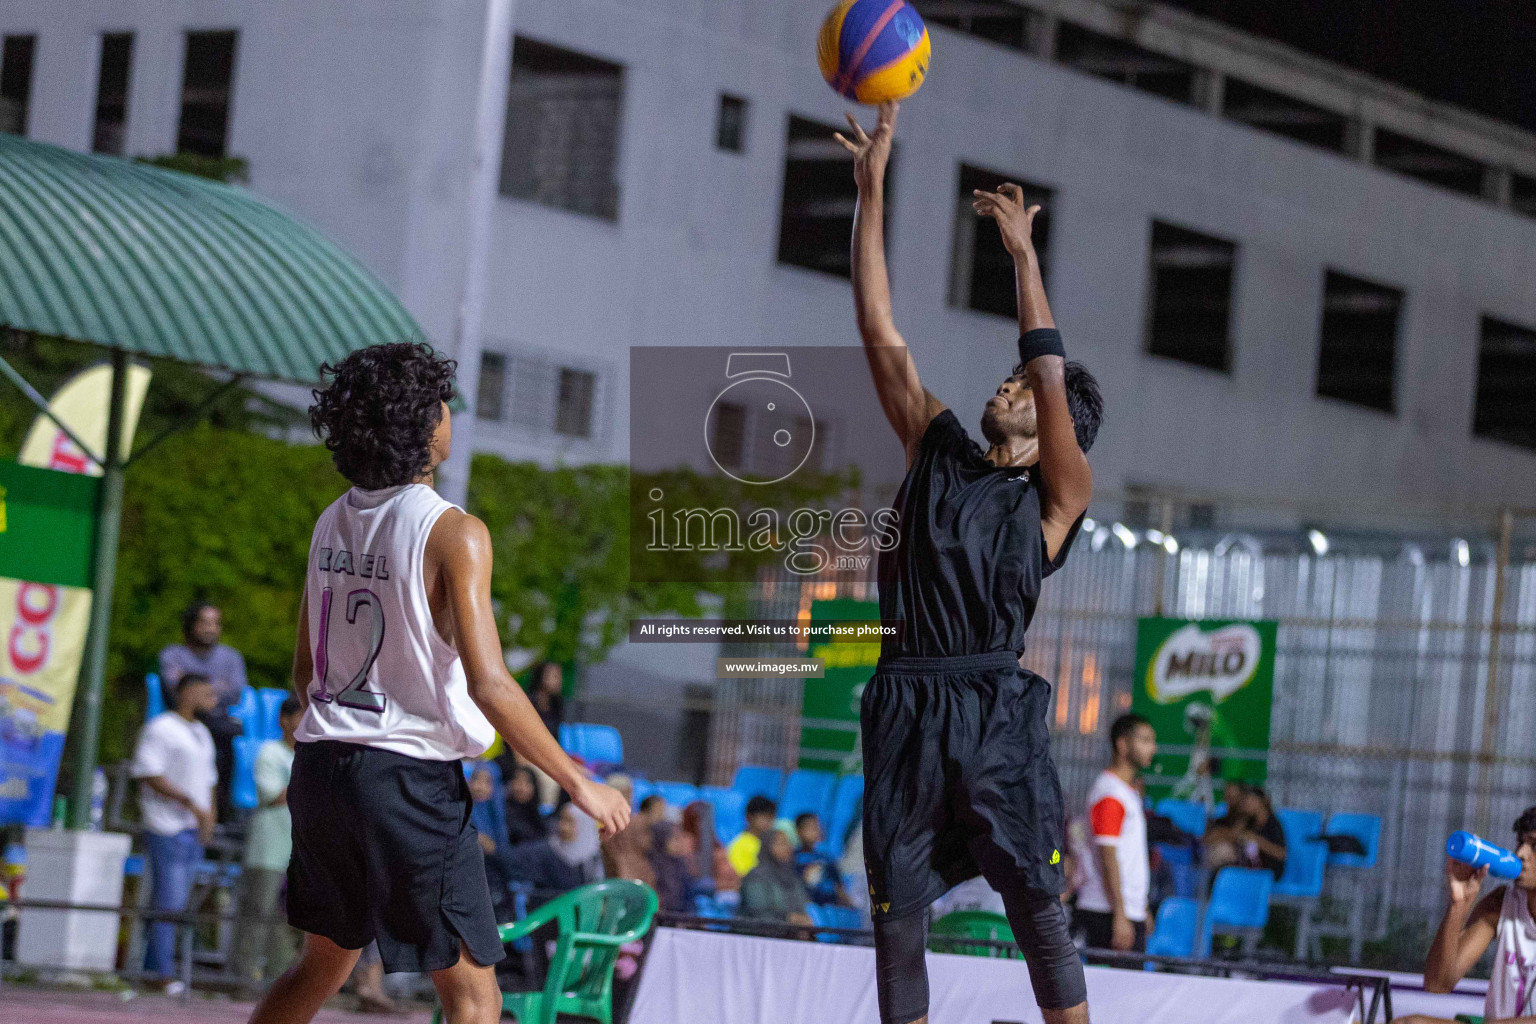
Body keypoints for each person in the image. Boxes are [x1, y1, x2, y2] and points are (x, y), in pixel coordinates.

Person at [247, 343, 629, 1024]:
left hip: (324, 767)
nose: (451, 412)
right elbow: (492, 685)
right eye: (442, 402)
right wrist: (578, 781)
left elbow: (307, 673)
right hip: (406, 779)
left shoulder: (330, 521)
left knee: (321, 965)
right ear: (423, 424)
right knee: (474, 998)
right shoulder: (455, 532)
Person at [837, 101, 1102, 1024]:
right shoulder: (938, 448)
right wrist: (872, 191)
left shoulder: (1053, 497)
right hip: (906, 696)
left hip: (992, 709)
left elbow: (1053, 372)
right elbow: (878, 327)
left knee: (1036, 907)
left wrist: (1023, 258)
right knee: (897, 920)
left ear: (1050, 426)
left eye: (1023, 387)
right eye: (1011, 378)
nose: (1009, 381)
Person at [1392, 808, 1536, 1024]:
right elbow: (1437, 984)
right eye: (1520, 842)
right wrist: (1459, 904)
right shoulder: (1502, 902)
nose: (1521, 853)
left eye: (1534, 846)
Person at [130, 674, 219, 994]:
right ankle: (159, 971)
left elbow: (209, 779)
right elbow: (148, 772)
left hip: (191, 828)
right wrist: (188, 803)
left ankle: (162, 966)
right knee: (168, 900)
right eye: (206, 690)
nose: (213, 696)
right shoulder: (161, 728)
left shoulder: (200, 732)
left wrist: (209, 815)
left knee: (179, 903)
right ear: (187, 693)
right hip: (166, 824)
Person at [233, 697, 303, 989]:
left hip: (298, 853)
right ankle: (242, 978)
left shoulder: (307, 758)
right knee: (257, 914)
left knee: (288, 920)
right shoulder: (270, 753)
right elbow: (271, 795)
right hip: (269, 849)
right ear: (284, 720)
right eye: (301, 716)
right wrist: (308, 777)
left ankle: (281, 979)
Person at [1074, 714, 1156, 953]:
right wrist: (1121, 914)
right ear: (1122, 745)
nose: (1153, 747)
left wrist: (1140, 908)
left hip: (1125, 909)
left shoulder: (1126, 791)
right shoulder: (1110, 794)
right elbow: (1108, 857)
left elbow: (1129, 856)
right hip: (1106, 912)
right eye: (1145, 740)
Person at [159, 602, 248, 819]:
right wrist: (217, 687)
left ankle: (219, 817)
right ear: (191, 625)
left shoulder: (232, 657)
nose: (211, 628)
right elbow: (175, 691)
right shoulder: (172, 654)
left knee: (227, 739)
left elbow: (235, 693)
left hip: (218, 724)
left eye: (216, 623)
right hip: (183, 721)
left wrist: (194, 685)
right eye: (204, 622)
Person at [1205, 784, 1288, 879]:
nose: (1248, 804)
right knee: (1221, 862)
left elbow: (1281, 854)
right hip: (1248, 865)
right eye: (1246, 801)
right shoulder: (1247, 820)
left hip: (1268, 870)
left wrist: (1257, 840)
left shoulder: (1272, 823)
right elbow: (1233, 836)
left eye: (1251, 801)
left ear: (1261, 802)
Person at [739, 830, 813, 926]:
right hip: (760, 935)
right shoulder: (756, 876)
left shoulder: (792, 876)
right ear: (767, 847)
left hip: (793, 934)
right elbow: (758, 913)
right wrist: (788, 919)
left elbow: (804, 904)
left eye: (788, 844)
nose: (788, 848)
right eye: (781, 844)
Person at [793, 813, 847, 906]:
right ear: (798, 830)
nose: (815, 831)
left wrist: (849, 904)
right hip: (806, 908)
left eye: (817, 827)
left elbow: (838, 886)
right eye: (810, 828)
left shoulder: (826, 858)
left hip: (829, 908)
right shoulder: (792, 858)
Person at [648, 820, 699, 914]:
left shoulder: (680, 863)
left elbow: (689, 896)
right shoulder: (652, 866)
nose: (679, 843)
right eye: (674, 839)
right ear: (662, 839)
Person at [727, 795, 779, 877]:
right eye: (763, 816)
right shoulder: (739, 845)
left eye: (771, 817)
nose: (768, 821)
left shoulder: (775, 843)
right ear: (749, 817)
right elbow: (741, 876)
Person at [503, 764, 547, 846]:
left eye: (527, 782)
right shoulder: (502, 812)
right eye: (517, 781)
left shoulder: (539, 814)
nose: (521, 787)